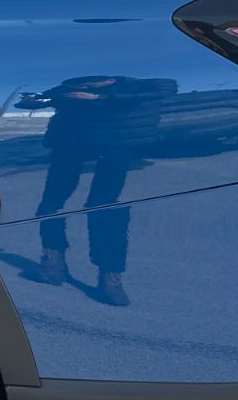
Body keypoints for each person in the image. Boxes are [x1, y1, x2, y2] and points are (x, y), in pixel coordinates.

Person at [15, 75, 176, 306]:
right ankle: (53, 261)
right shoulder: (66, 86)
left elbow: (164, 90)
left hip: (115, 143)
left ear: (110, 78)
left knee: (105, 205)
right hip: (69, 142)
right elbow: (37, 101)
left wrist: (100, 97)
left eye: (92, 83)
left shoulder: (134, 84)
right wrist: (38, 100)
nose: (85, 86)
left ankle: (110, 276)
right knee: (52, 201)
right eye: (83, 84)